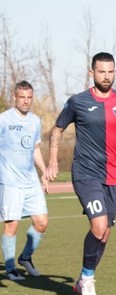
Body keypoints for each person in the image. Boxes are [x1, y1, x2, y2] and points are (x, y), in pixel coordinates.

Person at [46, 52, 116, 295]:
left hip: (112, 176)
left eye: (110, 71)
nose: (107, 76)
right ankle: (88, 279)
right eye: (102, 71)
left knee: (105, 233)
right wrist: (52, 160)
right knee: (98, 226)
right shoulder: (78, 102)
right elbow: (57, 129)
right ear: (92, 73)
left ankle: (82, 279)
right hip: (84, 174)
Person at [0, 81, 50, 281]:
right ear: (15, 96)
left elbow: (35, 148)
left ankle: (26, 258)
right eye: (22, 97)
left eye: (29, 97)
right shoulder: (3, 120)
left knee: (42, 222)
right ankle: (11, 268)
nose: (26, 101)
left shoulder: (35, 121)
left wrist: (44, 171)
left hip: (31, 181)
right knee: (12, 226)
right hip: (10, 181)